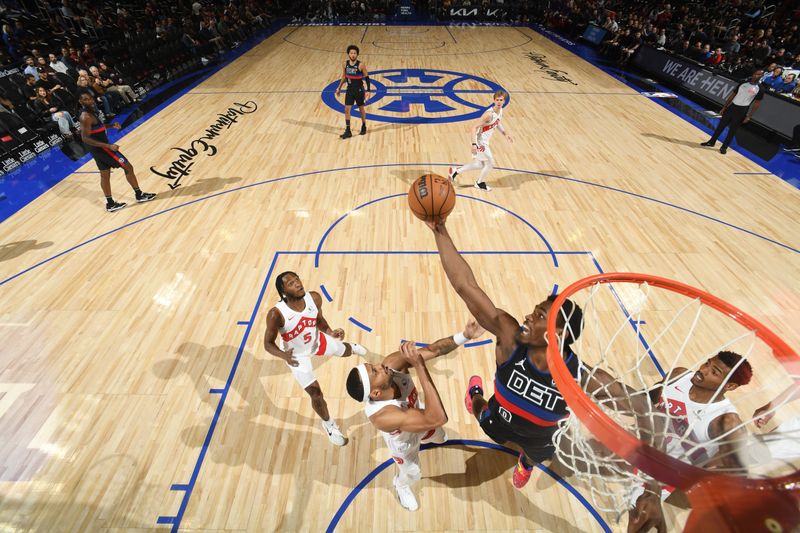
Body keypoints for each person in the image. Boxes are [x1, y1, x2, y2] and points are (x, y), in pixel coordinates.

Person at [426, 217, 592, 489]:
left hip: (539, 440)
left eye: (539, 315)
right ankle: (475, 397)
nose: (528, 315)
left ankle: (525, 464)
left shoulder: (582, 376)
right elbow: (465, 286)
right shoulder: (510, 338)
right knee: (483, 411)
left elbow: (627, 399)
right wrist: (440, 231)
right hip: (499, 419)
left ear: (557, 333)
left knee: (534, 455)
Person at [345, 319, 485, 511]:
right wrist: (419, 367)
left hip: (419, 418)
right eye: (375, 371)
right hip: (404, 442)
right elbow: (438, 418)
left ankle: (428, 437)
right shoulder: (384, 416)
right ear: (376, 393)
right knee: (413, 472)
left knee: (440, 436)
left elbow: (434, 349)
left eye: (373, 365)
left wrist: (465, 336)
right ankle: (401, 485)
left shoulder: (391, 364)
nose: (380, 365)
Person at [628, 352, 753, 533]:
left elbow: (739, 473)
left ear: (730, 385)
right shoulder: (679, 375)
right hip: (642, 448)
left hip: (663, 473)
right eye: (707, 363)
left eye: (714, 372)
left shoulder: (726, 421)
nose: (703, 370)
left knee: (640, 516)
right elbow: (646, 399)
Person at [264, 271, 367, 446]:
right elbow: (268, 343)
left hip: (315, 340)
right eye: (291, 283)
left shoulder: (314, 298)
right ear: (283, 292)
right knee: (316, 393)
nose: (297, 284)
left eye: (297, 280)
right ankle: (329, 425)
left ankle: (352, 347)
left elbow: (318, 320)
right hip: (295, 356)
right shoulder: (276, 314)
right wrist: (284, 356)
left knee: (344, 350)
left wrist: (330, 332)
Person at [77, 89, 156, 212]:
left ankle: (110, 204)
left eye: (90, 98)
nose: (90, 100)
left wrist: (111, 125)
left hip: (98, 148)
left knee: (105, 175)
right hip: (102, 148)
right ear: (81, 101)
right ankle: (139, 194)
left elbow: (98, 127)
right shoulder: (85, 116)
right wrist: (108, 146)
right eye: (86, 99)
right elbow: (85, 138)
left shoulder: (92, 111)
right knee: (128, 167)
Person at [448, 90, 513, 191]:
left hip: (485, 141)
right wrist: (474, 144)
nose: (499, 102)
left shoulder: (500, 110)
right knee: (490, 163)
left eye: (501, 100)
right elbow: (473, 127)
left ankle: (455, 171)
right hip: (480, 142)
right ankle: (479, 183)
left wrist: (505, 134)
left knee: (479, 164)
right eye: (497, 100)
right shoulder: (488, 114)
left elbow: (497, 122)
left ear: (504, 101)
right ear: (494, 100)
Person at [701, 69, 765, 154]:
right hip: (732, 107)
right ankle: (711, 142)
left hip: (742, 110)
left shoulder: (760, 89)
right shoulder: (743, 83)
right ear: (753, 74)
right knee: (721, 126)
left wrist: (749, 116)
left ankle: (724, 147)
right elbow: (733, 95)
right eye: (757, 74)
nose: (758, 76)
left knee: (732, 130)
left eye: (760, 75)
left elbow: (757, 104)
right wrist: (724, 107)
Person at [335, 44, 370, 139]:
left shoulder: (361, 65)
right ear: (348, 54)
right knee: (347, 109)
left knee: (361, 109)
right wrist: (339, 87)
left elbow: (367, 77)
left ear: (357, 54)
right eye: (351, 53)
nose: (353, 54)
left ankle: (363, 125)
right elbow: (344, 77)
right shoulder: (344, 64)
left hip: (359, 90)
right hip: (349, 90)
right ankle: (348, 130)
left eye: (355, 53)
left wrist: (368, 90)